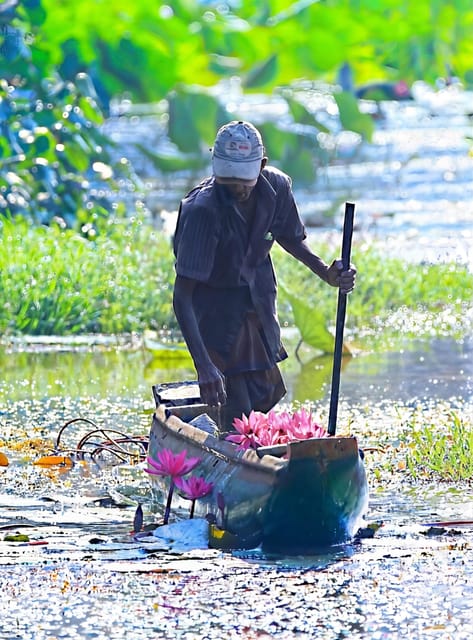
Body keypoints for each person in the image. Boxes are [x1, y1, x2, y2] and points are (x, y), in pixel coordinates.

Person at [172, 120, 356, 431]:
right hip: (215, 314)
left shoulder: (277, 188)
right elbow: (182, 295)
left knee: (261, 400)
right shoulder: (201, 210)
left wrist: (327, 272)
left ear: (262, 166)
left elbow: (289, 237)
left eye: (244, 181)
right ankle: (234, 457)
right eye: (228, 181)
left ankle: (258, 458)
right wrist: (203, 365)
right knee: (232, 406)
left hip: (257, 305)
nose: (237, 190)